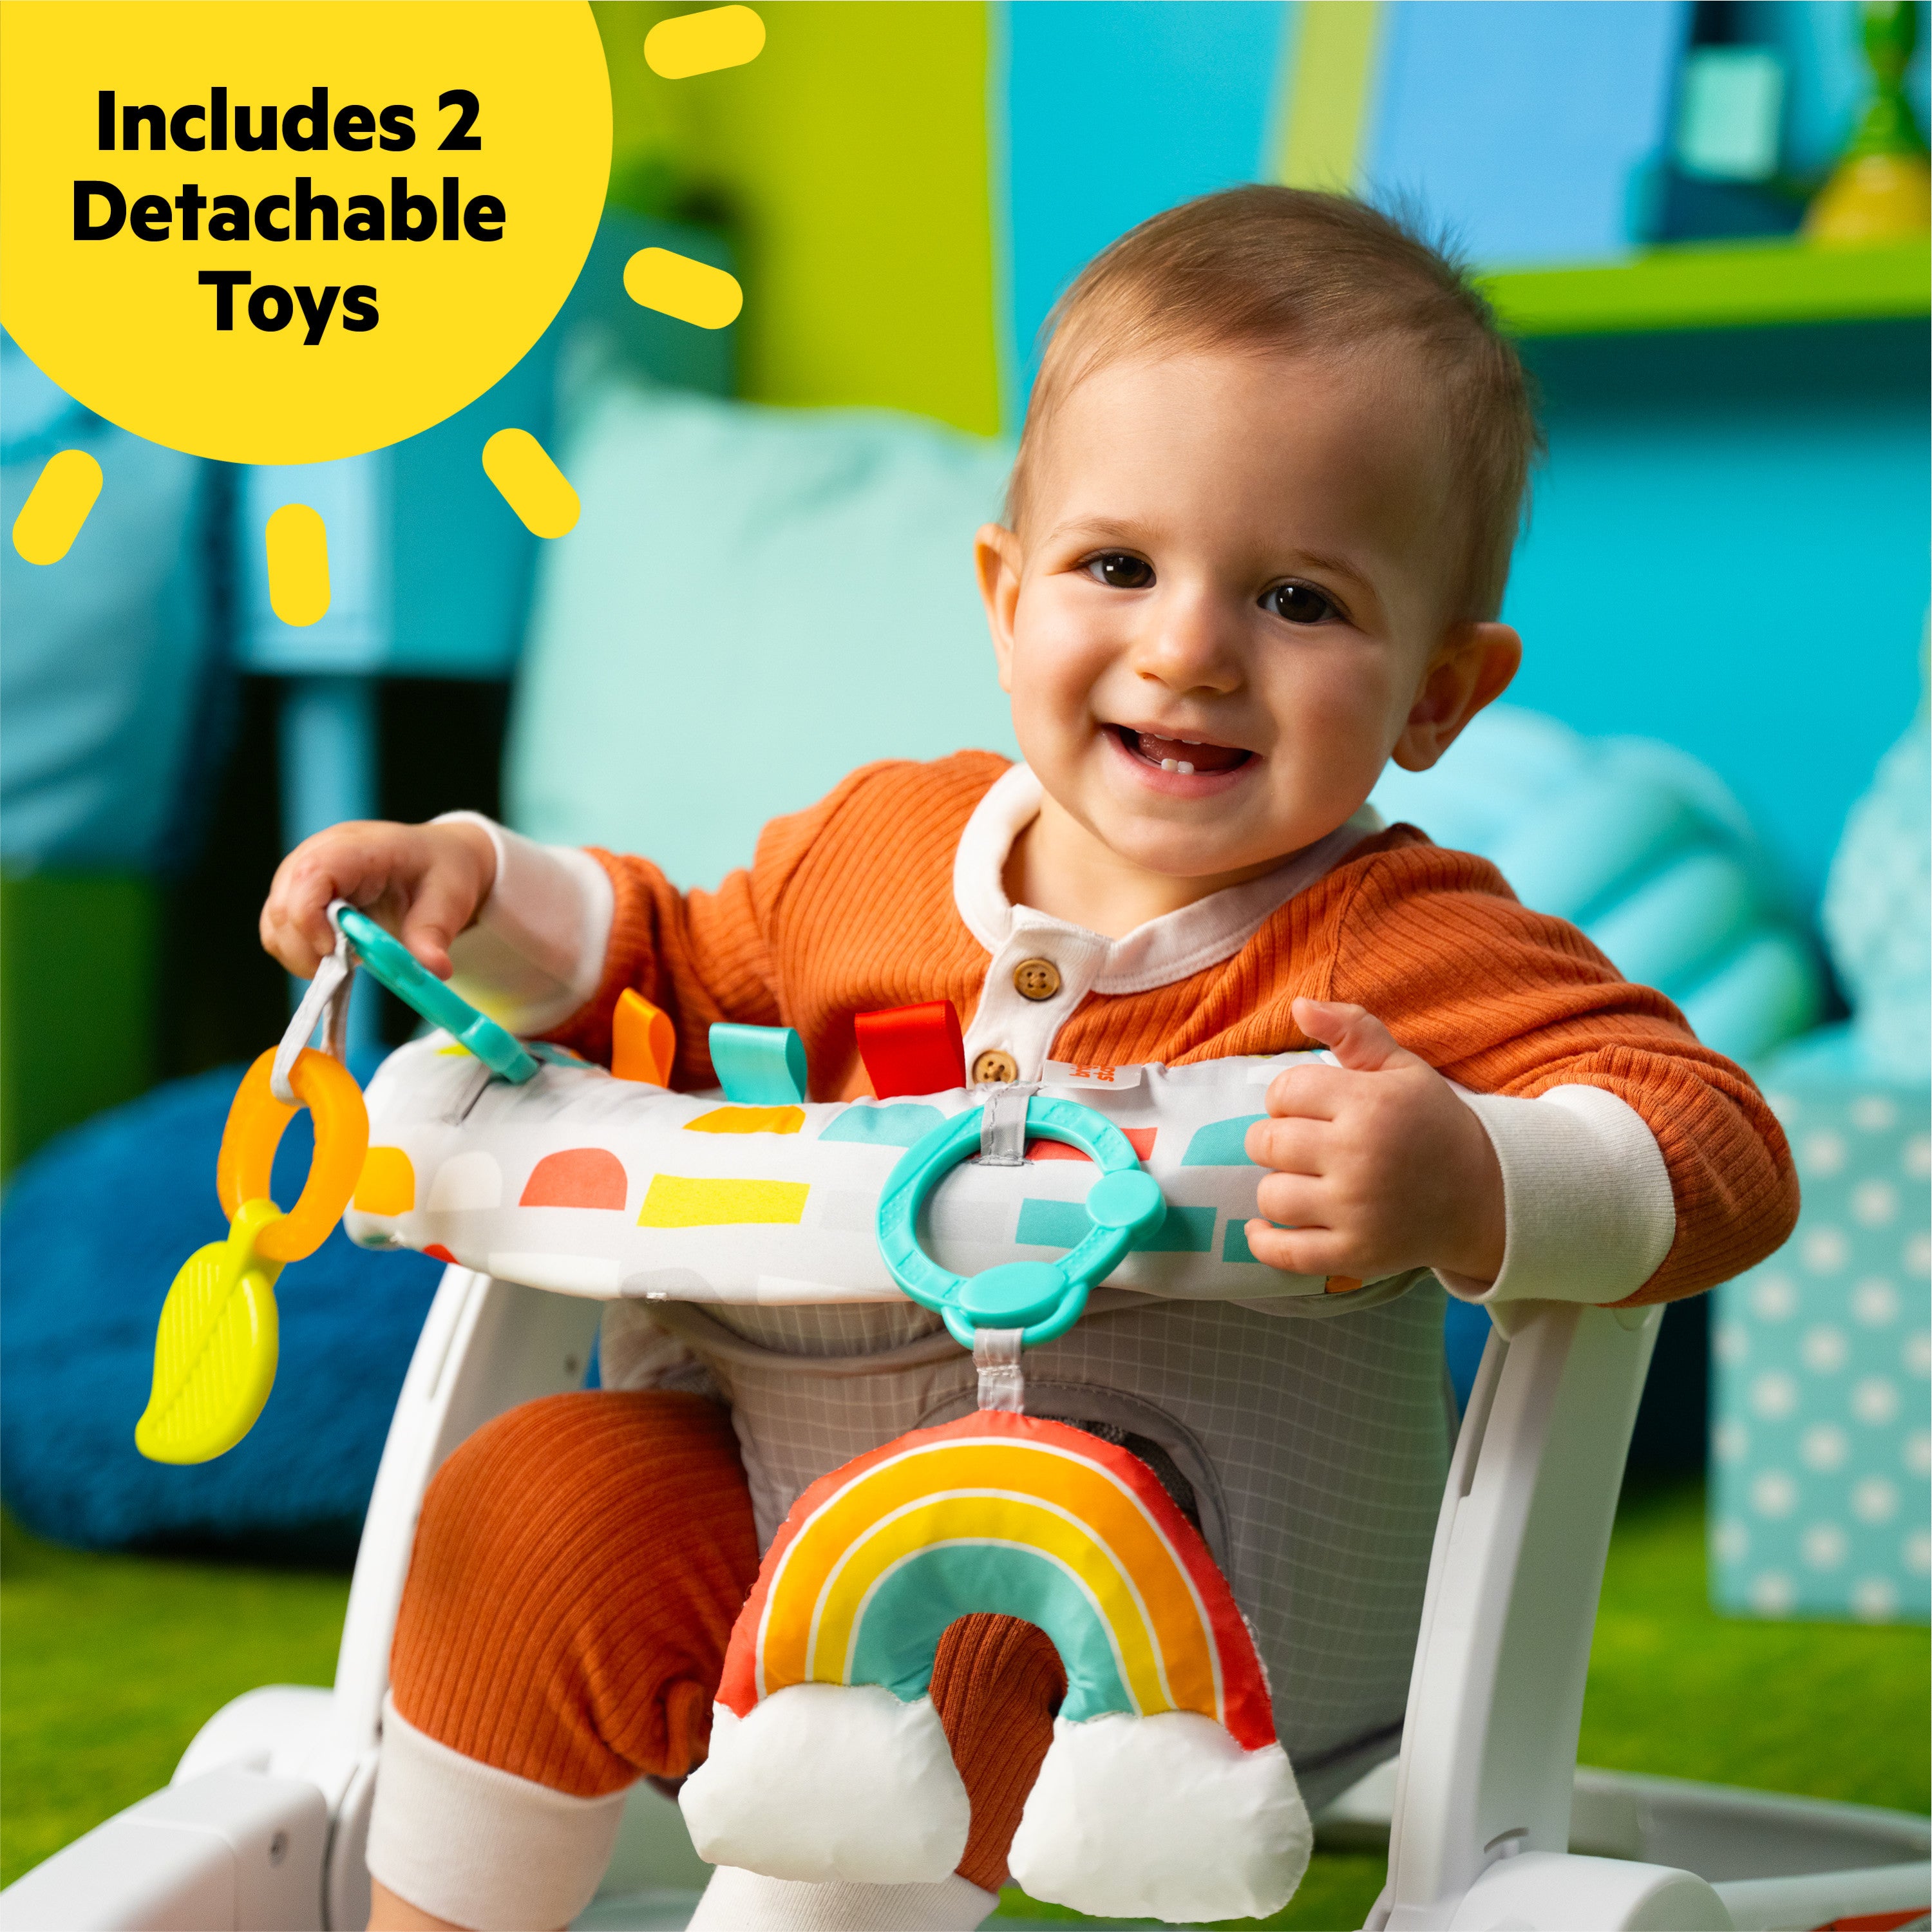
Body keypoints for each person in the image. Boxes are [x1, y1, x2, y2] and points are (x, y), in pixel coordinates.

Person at [261, 187, 1798, 1932]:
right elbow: (665, 964)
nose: (1188, 649)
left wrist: (1470, 1175)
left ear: (1440, 696)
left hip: (1200, 1603)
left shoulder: (1399, 939)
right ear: (1006, 599)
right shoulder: (872, 850)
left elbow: (1720, 1139)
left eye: (1299, 598)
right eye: (1117, 567)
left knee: (966, 1599)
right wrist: (478, 896)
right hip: (779, 1478)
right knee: (535, 1502)